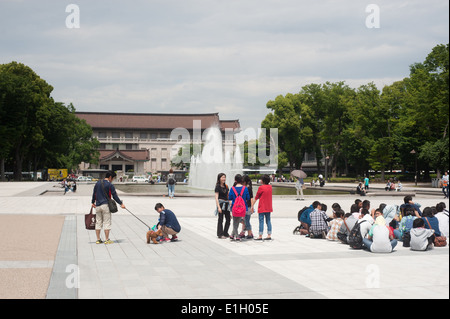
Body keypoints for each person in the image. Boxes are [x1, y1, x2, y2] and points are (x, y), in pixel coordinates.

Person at [91, 171, 126, 244]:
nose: (112, 180)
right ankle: (107, 240)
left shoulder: (97, 183)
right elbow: (114, 196)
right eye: (113, 178)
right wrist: (121, 203)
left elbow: (94, 193)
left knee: (98, 222)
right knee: (107, 222)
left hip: (97, 205)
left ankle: (98, 239)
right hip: (105, 205)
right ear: (110, 177)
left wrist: (92, 202)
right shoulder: (110, 185)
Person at [228, 174, 250, 241]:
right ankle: (232, 234)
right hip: (242, 208)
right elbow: (248, 198)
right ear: (242, 180)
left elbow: (230, 198)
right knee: (237, 221)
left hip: (235, 207)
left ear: (235, 180)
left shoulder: (232, 188)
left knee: (235, 221)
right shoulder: (245, 188)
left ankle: (236, 235)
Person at [253, 174, 273, 241]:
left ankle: (260, 235)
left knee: (261, 221)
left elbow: (256, 197)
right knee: (268, 221)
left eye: (261, 179)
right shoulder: (270, 187)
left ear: (263, 181)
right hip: (269, 207)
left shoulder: (261, 188)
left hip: (262, 207)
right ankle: (269, 234)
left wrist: (252, 205)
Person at [215, 173, 230, 239]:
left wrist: (230, 203)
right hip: (221, 204)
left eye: (224, 177)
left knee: (228, 219)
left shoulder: (226, 186)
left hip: (227, 204)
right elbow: (216, 197)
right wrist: (218, 207)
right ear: (219, 178)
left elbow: (228, 196)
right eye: (222, 177)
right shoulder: (217, 187)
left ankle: (225, 232)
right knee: (220, 219)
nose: (224, 179)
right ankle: (220, 234)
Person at [240, 175, 255, 239]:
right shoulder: (244, 188)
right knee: (242, 220)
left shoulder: (248, 188)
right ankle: (245, 232)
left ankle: (249, 233)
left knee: (246, 221)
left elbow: (251, 198)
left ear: (245, 182)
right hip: (243, 206)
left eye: (242, 182)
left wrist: (252, 206)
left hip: (247, 207)